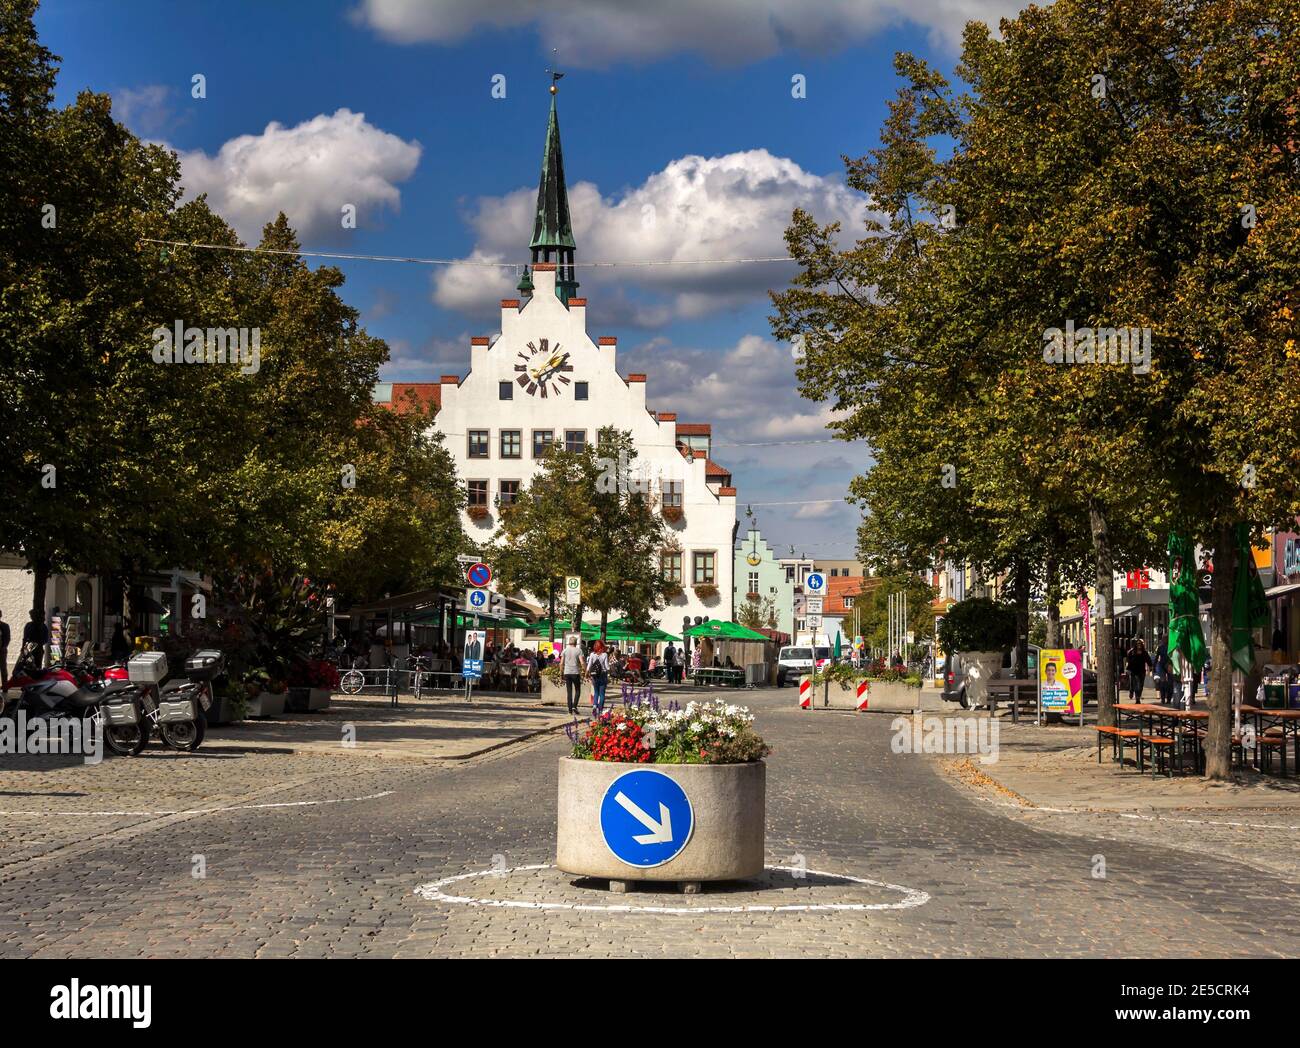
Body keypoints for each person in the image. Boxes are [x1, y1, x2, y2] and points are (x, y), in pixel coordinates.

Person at [586, 640, 610, 716]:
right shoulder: (605, 655)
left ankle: (594, 706)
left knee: (596, 692)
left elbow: (589, 665)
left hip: (594, 675)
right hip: (602, 675)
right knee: (602, 693)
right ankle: (600, 709)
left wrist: (587, 673)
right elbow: (607, 666)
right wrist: (609, 670)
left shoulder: (592, 654)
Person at [561, 635, 583, 715]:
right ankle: (574, 706)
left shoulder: (564, 650)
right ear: (576, 643)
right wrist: (585, 670)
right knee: (577, 690)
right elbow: (582, 662)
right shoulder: (579, 650)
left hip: (567, 672)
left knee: (569, 691)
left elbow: (561, 663)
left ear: (569, 642)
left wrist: (561, 673)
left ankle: (570, 710)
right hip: (575, 672)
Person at [0, 610, 8, 691]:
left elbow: (7, 638)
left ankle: (5, 686)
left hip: (2, 651)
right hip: (2, 650)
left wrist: (3, 647)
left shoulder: (5, 626)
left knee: (3, 668)